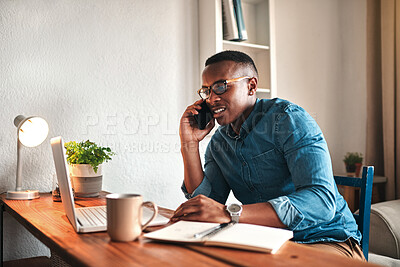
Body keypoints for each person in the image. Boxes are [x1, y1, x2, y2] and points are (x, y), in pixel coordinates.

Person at [171, 50, 365, 260]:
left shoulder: (289, 119)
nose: (212, 99)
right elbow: (206, 205)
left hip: (325, 239)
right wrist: (189, 144)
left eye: (221, 86)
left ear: (251, 86)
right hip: (265, 240)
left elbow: (320, 201)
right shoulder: (220, 142)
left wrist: (229, 213)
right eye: (207, 91)